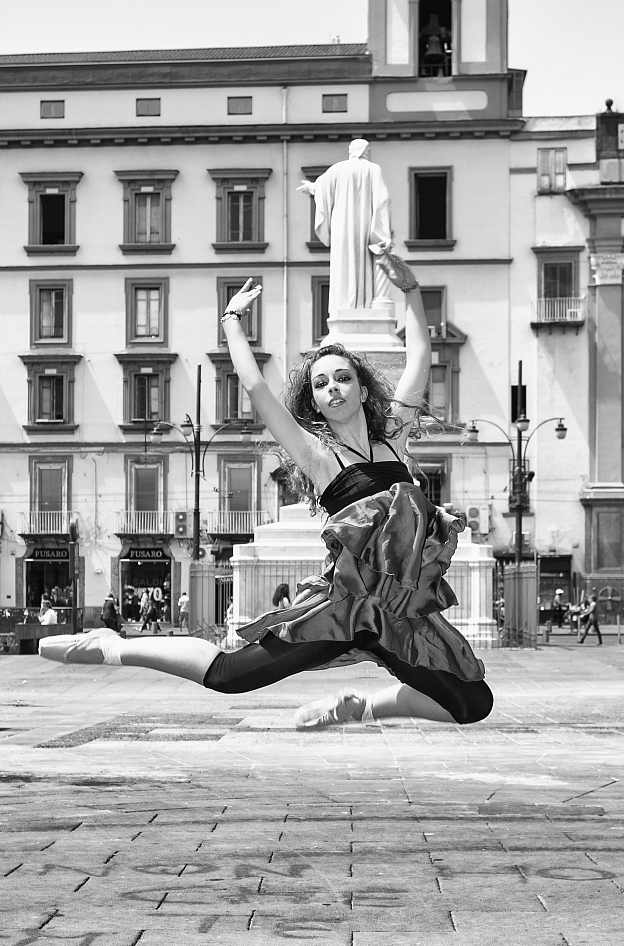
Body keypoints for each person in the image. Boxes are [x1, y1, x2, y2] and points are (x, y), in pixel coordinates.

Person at [40, 251, 493, 732]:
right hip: (346, 610)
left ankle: (360, 706)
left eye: (343, 378)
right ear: (314, 401)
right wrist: (232, 321)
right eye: (321, 384)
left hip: (402, 612)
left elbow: (420, 358)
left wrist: (411, 293)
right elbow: (256, 387)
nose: (333, 388)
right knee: (229, 675)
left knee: (473, 703)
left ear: (363, 389)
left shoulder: (394, 438)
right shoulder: (319, 455)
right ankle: (112, 645)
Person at [298, 140, 392, 318]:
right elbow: (383, 201)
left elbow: (321, 188)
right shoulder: (373, 169)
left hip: (341, 227)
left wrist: (311, 187)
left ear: (351, 151)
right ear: (365, 151)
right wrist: (382, 234)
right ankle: (361, 304)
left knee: (343, 264)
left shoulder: (337, 169)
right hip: (364, 227)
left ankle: (344, 304)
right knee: (363, 262)